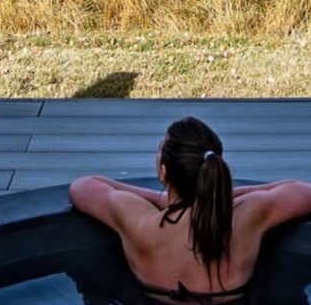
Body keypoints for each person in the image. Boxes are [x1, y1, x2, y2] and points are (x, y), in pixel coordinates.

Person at [69, 115, 311, 304]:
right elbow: (302, 191)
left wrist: (160, 199)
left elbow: (83, 186)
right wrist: (222, 197)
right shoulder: (247, 217)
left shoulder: (138, 220)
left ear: (164, 172)